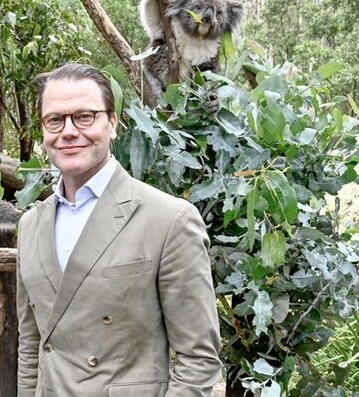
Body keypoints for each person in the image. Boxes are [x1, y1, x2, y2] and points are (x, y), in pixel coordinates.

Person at [16, 63, 222, 396]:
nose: (68, 131)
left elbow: (198, 359)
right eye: (55, 120)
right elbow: (31, 345)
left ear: (112, 123)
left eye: (85, 117)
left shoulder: (169, 220)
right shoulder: (30, 225)